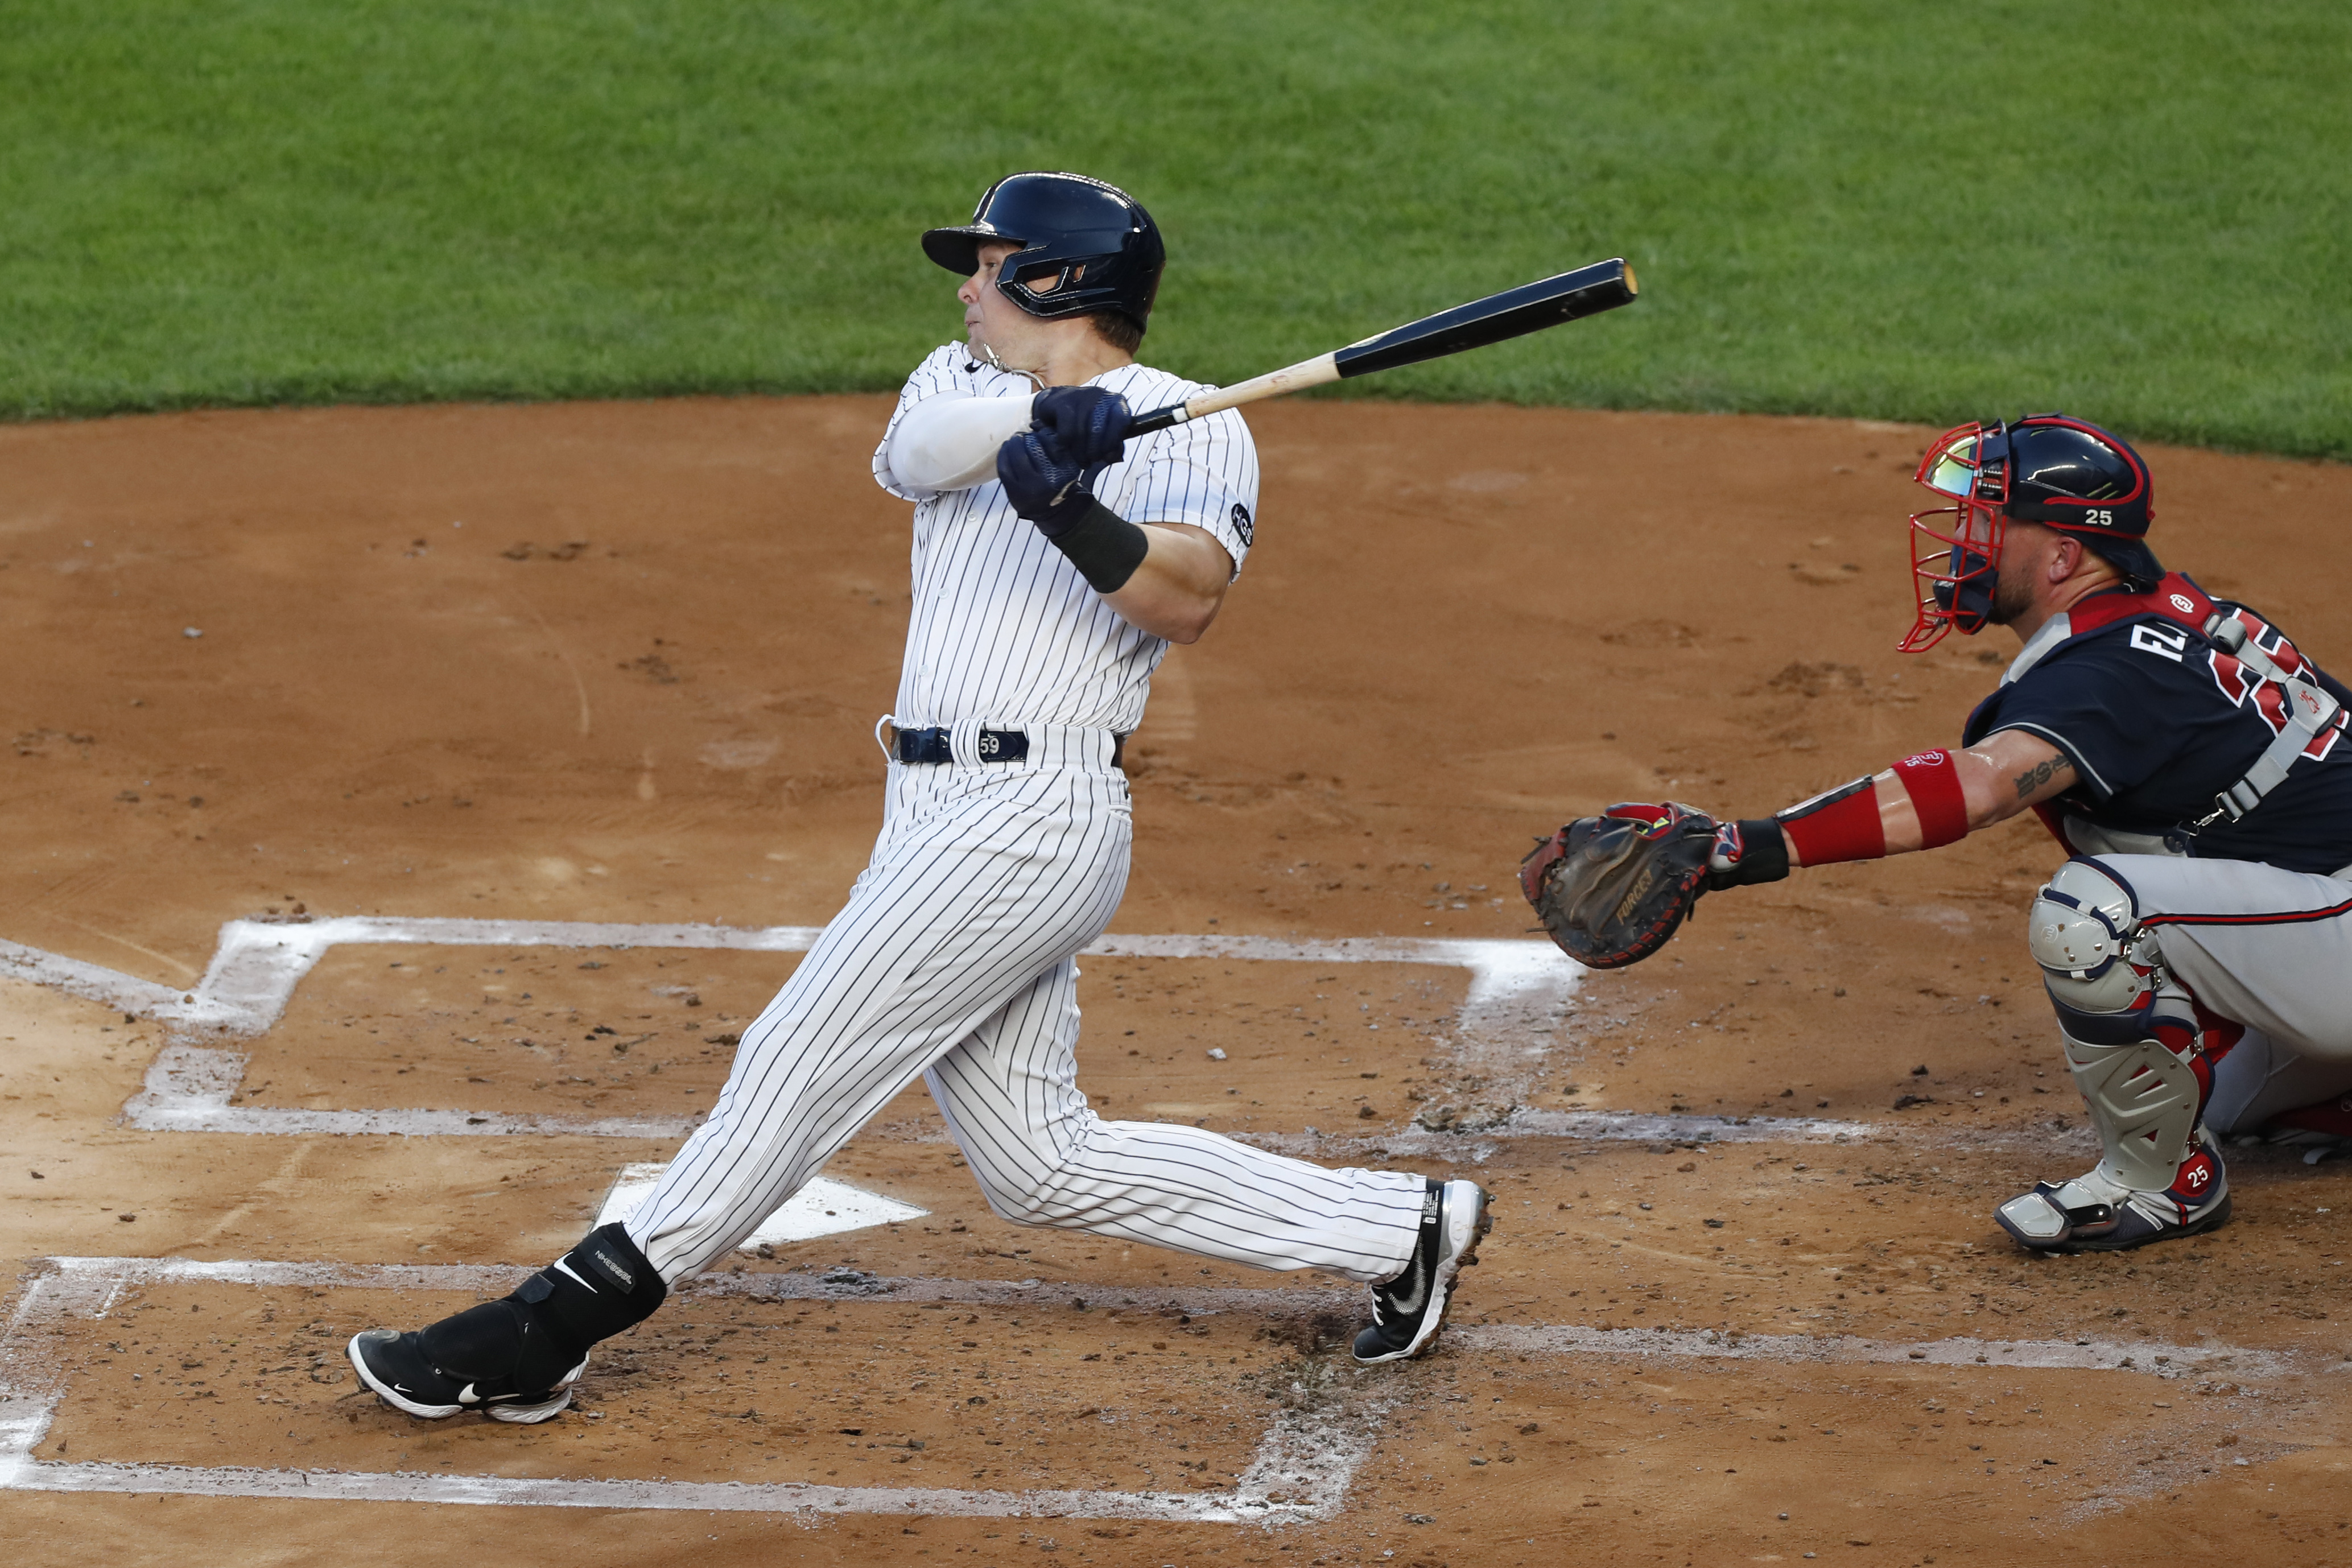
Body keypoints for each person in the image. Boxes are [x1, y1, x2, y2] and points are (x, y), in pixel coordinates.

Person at [346, 171, 1489, 1425]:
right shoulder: (960, 383)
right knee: (1041, 1162)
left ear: (1057, 279)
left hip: (1032, 818)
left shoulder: (1197, 425)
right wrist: (1045, 429)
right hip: (928, 815)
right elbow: (914, 454)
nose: (966, 285)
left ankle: (552, 1322)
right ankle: (1402, 1225)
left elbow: (1185, 598)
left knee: (796, 1054)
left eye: (988, 265)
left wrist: (1072, 506)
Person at [1561, 414, 2352, 1254]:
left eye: (1987, 518)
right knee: (2216, 1096)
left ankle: (2159, 1188)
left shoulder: (2107, 671)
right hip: (2326, 906)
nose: (1961, 537)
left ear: (2061, 556)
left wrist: (1740, 846)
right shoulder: (2170, 617)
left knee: (2095, 915)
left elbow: (1974, 790)